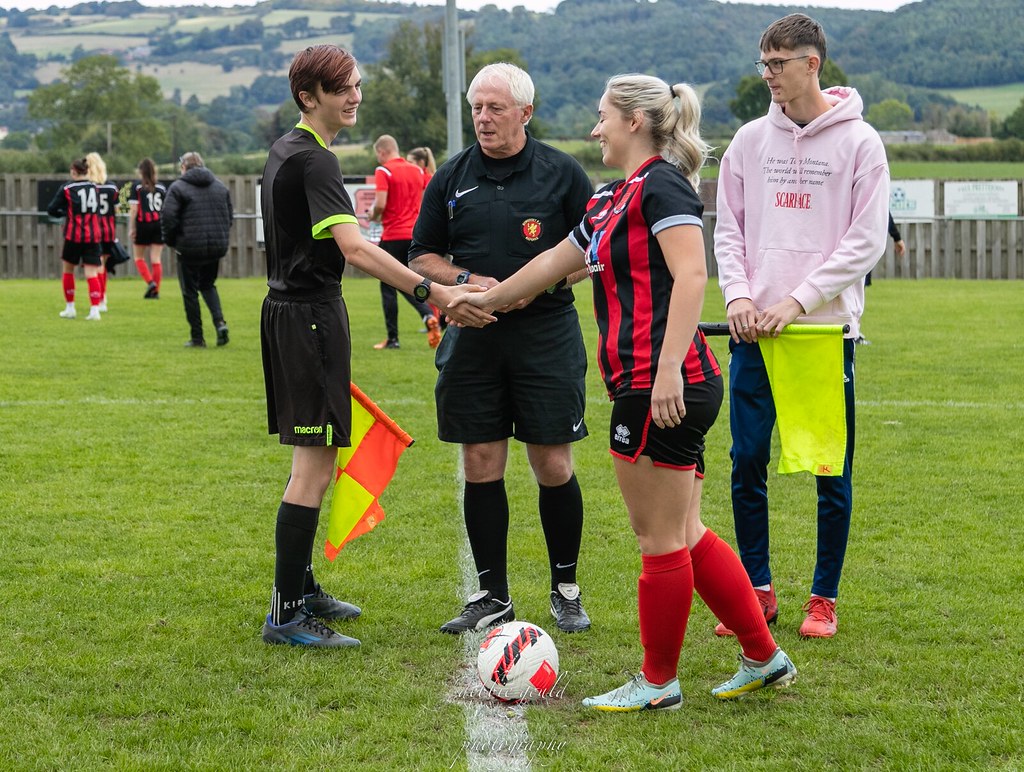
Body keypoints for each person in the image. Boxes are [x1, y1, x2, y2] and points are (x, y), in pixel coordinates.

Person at [454, 73, 797, 710]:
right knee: (686, 531)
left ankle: (658, 683)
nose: (595, 130)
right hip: (654, 382)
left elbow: (692, 275)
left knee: (658, 540)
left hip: (660, 384)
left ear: (634, 122)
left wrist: (666, 372)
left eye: (602, 117)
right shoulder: (612, 198)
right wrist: (484, 299)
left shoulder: (662, 184)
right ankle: (763, 654)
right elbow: (552, 264)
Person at [258, 44, 491, 648]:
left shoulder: (287, 149)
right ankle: (285, 613)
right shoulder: (315, 161)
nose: (355, 96)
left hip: (293, 314)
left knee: (319, 457)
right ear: (309, 96)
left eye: (357, 84)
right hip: (308, 317)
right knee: (313, 466)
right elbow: (356, 248)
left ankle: (301, 587)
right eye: (342, 88)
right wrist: (433, 291)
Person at [713, 13, 889, 639]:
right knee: (746, 461)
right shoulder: (748, 141)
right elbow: (728, 228)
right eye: (763, 63)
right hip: (754, 333)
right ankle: (755, 591)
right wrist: (738, 295)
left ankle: (823, 598)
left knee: (828, 468)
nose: (768, 75)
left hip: (822, 332)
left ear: (812, 64)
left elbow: (865, 241)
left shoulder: (860, 142)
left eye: (778, 63)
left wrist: (797, 301)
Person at [409, 62, 595, 636]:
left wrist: (536, 285)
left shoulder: (563, 173)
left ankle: (566, 589)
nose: (483, 118)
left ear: (525, 112)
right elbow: (422, 255)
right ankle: (492, 594)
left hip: (546, 336)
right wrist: (465, 280)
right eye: (476, 108)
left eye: (495, 108)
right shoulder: (451, 175)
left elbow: (595, 250)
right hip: (474, 339)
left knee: (552, 462)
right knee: (480, 461)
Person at [367, 134, 440, 350]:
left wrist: (373, 214)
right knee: (410, 282)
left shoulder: (384, 171)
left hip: (392, 235)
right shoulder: (417, 170)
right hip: (415, 235)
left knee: (388, 286)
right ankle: (428, 315)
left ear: (382, 152)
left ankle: (393, 338)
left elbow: (381, 204)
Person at [161, 151, 234, 349]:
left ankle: (197, 338)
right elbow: (229, 216)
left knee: (190, 291)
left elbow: (168, 217)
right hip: (215, 247)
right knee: (208, 285)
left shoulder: (178, 187)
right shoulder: (219, 186)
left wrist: (171, 241)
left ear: (184, 167)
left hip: (189, 248)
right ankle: (220, 323)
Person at [49, 157, 103, 321]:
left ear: (73, 171)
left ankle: (70, 308)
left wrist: (64, 213)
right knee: (91, 273)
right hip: (92, 236)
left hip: (73, 235)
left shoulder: (67, 188)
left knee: (68, 270)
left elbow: (52, 209)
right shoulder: (96, 188)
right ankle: (95, 310)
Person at [85, 152, 121, 313]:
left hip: (94, 229)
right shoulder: (112, 187)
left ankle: (99, 298)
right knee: (103, 265)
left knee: (96, 265)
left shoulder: (88, 187)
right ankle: (103, 297)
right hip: (109, 229)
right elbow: (117, 209)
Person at [129, 158, 166, 300]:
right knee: (156, 259)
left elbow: (134, 209)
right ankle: (156, 291)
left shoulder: (137, 186)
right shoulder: (161, 187)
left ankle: (150, 283)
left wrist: (132, 228)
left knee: (138, 257)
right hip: (158, 224)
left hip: (143, 224)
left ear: (141, 171)